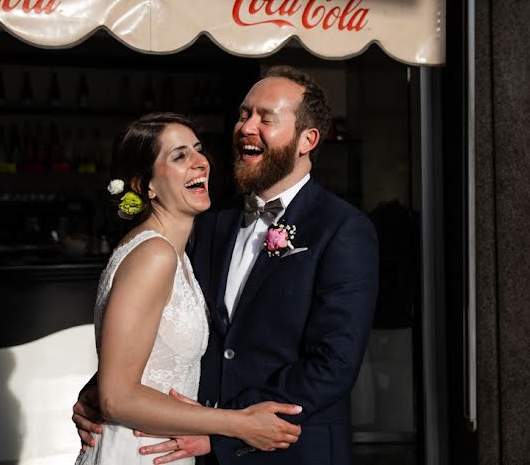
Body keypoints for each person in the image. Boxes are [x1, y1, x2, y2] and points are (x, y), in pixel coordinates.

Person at [74, 68, 379, 465]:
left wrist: (220, 432)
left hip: (288, 451)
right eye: (243, 114)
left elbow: (332, 365)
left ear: (308, 139)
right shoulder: (213, 222)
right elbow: (157, 335)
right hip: (180, 445)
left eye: (265, 118)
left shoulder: (343, 229)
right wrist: (101, 393)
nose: (246, 127)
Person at [75, 113, 303, 465]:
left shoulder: (175, 253)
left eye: (198, 150)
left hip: (162, 448)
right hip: (138, 451)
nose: (200, 162)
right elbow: (117, 398)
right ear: (145, 185)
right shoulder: (154, 254)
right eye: (179, 156)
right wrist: (237, 423)